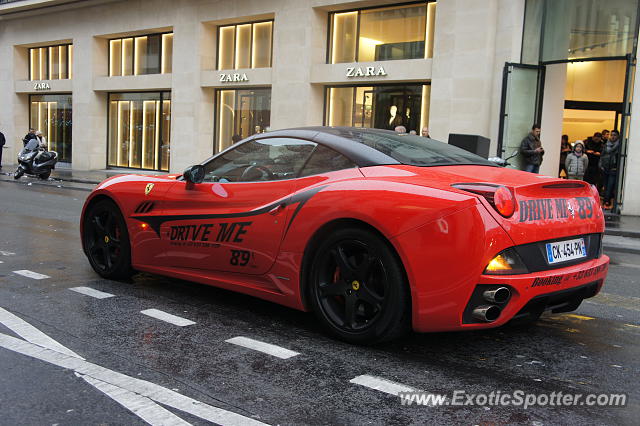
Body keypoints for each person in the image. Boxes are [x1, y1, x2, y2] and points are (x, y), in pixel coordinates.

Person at [600, 129, 621, 209]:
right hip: (605, 168)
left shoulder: (619, 145)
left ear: (618, 136)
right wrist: (601, 165)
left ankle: (607, 202)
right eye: (611, 135)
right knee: (605, 186)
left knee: (610, 186)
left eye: (614, 135)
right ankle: (606, 201)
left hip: (613, 169)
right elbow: (602, 155)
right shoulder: (606, 144)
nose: (612, 137)